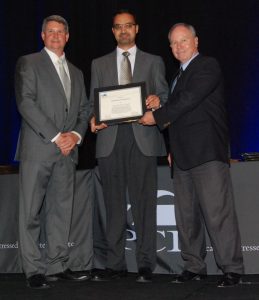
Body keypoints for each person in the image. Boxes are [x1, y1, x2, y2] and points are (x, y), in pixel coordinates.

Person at [139, 23, 244, 287]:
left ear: (196, 41)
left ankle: (232, 268)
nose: (178, 47)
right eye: (173, 43)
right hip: (183, 156)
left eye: (183, 41)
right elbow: (181, 114)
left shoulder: (207, 65)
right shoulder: (177, 76)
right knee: (186, 218)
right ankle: (194, 266)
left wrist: (158, 115)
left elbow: (189, 100)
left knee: (218, 214)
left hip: (207, 153)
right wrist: (171, 142)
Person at [89, 9, 168, 283]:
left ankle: (146, 263)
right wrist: (93, 118)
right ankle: (115, 264)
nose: (123, 31)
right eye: (118, 27)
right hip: (110, 139)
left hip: (142, 138)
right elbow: (93, 103)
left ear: (137, 29)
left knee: (144, 204)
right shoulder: (98, 64)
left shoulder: (153, 61)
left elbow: (164, 95)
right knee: (113, 205)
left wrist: (158, 101)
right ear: (113, 31)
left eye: (128, 26)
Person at [15, 15, 90, 289]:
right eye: (51, 31)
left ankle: (57, 265)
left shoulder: (77, 72)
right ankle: (33, 269)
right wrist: (58, 136)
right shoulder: (29, 63)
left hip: (67, 152)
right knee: (31, 213)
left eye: (61, 32)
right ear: (42, 36)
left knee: (61, 211)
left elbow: (84, 111)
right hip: (39, 149)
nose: (56, 36)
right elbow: (26, 103)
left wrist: (76, 136)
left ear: (67, 37)